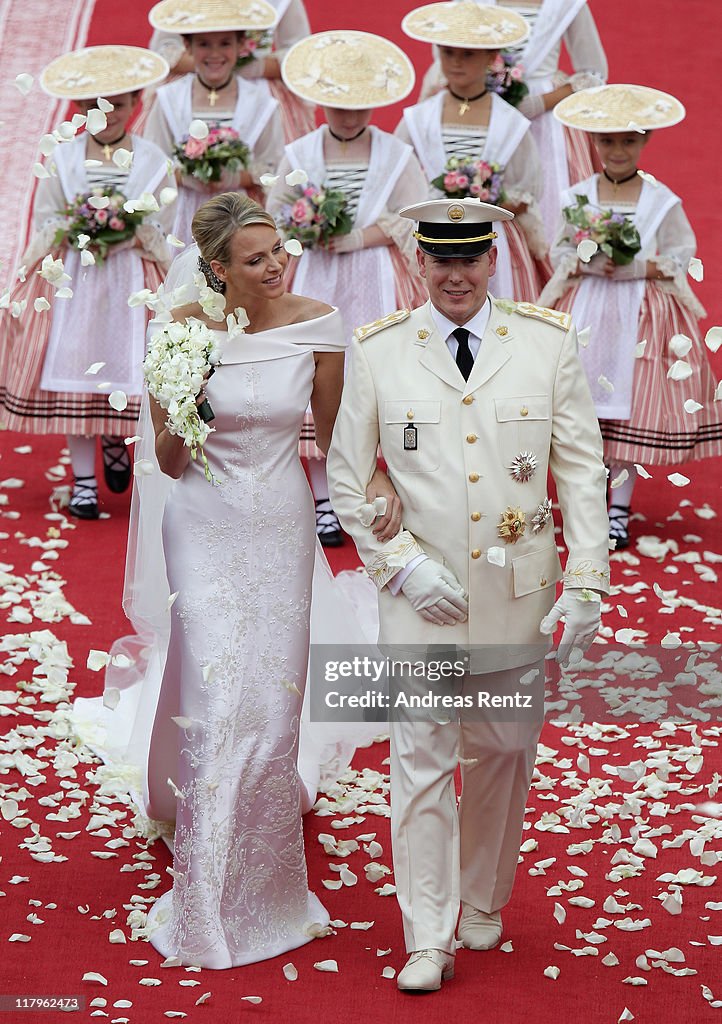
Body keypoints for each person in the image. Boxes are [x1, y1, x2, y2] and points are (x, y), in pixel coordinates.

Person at [72, 192, 398, 968]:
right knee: (220, 695)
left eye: (278, 251)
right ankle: (207, 893)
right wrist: (190, 403)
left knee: (272, 696)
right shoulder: (180, 329)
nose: (277, 265)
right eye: (256, 260)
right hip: (203, 522)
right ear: (218, 270)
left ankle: (271, 880)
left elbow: (339, 437)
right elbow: (171, 458)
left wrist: (379, 498)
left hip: (280, 519)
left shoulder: (318, 323)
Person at [327, 197, 610, 992]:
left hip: (517, 591)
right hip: (421, 598)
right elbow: (349, 474)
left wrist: (587, 579)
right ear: (420, 264)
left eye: (470, 260)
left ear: (493, 261)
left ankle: (482, 896)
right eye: (440, 261)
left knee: (503, 753)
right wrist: (399, 564)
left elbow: (582, 467)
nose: (456, 275)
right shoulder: (378, 350)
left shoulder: (545, 344)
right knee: (419, 758)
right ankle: (427, 935)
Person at [538, 84, 722, 549]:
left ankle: (618, 507)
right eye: (608, 141)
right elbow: (559, 246)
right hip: (585, 309)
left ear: (644, 143)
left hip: (636, 314)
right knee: (579, 405)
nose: (617, 150)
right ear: (594, 143)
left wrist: (640, 266)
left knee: (628, 405)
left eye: (628, 140)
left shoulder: (659, 199)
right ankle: (583, 501)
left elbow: (682, 251)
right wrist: (584, 259)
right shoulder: (578, 196)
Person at [267, 29, 428, 546]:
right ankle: (323, 497)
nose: (349, 114)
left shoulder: (397, 155)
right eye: (338, 103)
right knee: (312, 376)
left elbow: (415, 217)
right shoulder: (297, 151)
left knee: (378, 376)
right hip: (312, 277)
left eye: (361, 105)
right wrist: (302, 231)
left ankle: (387, 486)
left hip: (378, 275)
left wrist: (361, 235)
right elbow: (273, 220)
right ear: (319, 101)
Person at [0, 45, 174, 518]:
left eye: (117, 103)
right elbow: (48, 216)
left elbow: (165, 221)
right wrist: (66, 238)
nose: (107, 114)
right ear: (78, 109)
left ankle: (119, 440)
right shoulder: (64, 156)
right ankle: (82, 481)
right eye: (94, 105)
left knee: (130, 366)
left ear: (136, 102)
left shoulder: (154, 159)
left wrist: (129, 229)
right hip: (76, 279)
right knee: (77, 368)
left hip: (132, 279)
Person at [418, 0, 608, 244]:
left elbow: (594, 73)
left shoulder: (566, 3)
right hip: (479, 114)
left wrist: (540, 103)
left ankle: (526, 270)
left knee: (542, 204)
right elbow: (448, 55)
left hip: (544, 127)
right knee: (468, 198)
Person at [396, 2, 550, 303]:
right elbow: (397, 176)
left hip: (493, 242)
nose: (456, 63)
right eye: (448, 53)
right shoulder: (419, 118)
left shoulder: (510, 123)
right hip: (432, 242)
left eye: (468, 54)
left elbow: (527, 191)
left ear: (491, 57)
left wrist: (487, 202)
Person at [143, 0, 284, 243]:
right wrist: (188, 177)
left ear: (242, 45)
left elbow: (273, 167)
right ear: (187, 46)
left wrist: (234, 178)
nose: (215, 54)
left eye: (225, 43)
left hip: (241, 216)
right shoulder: (168, 99)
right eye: (204, 44)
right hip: (181, 217)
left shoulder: (262, 103)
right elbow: (151, 162)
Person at [146, 0, 316, 142]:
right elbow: (163, 52)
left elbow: (300, 56)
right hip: (192, 87)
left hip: (259, 90)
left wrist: (254, 66)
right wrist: (210, 63)